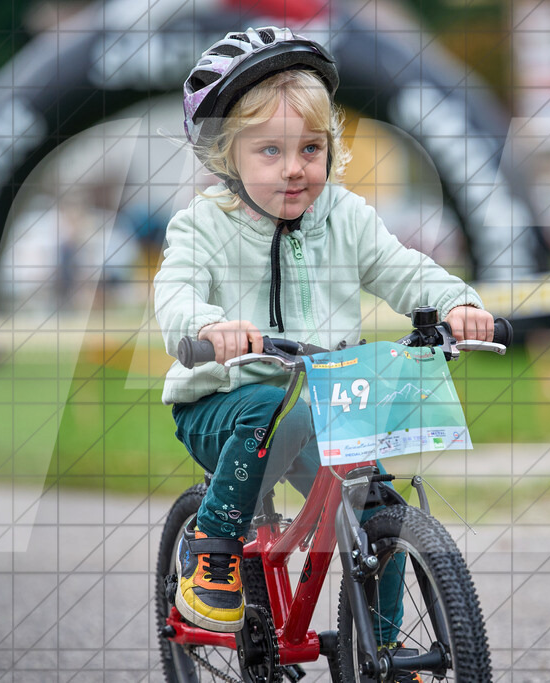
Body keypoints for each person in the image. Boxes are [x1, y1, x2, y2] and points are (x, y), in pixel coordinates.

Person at [154, 27, 495, 640]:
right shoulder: (201, 225)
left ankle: (381, 654)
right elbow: (174, 294)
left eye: (311, 149)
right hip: (222, 405)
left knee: (379, 512)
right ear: (227, 156)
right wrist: (208, 326)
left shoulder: (346, 216)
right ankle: (211, 545)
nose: (294, 169)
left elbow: (403, 268)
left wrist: (456, 302)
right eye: (270, 152)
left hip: (321, 408)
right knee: (264, 406)